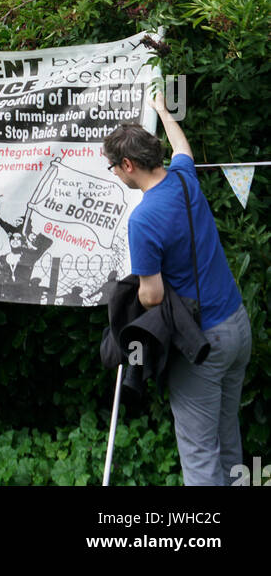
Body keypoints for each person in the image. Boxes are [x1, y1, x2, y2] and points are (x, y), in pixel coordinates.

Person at [103, 90, 252, 486]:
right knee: (226, 435)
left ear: (129, 164)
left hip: (202, 342)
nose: (114, 173)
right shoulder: (184, 177)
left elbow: (151, 296)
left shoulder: (144, 220)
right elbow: (181, 146)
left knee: (200, 454)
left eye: (113, 167)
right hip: (237, 325)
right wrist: (164, 113)